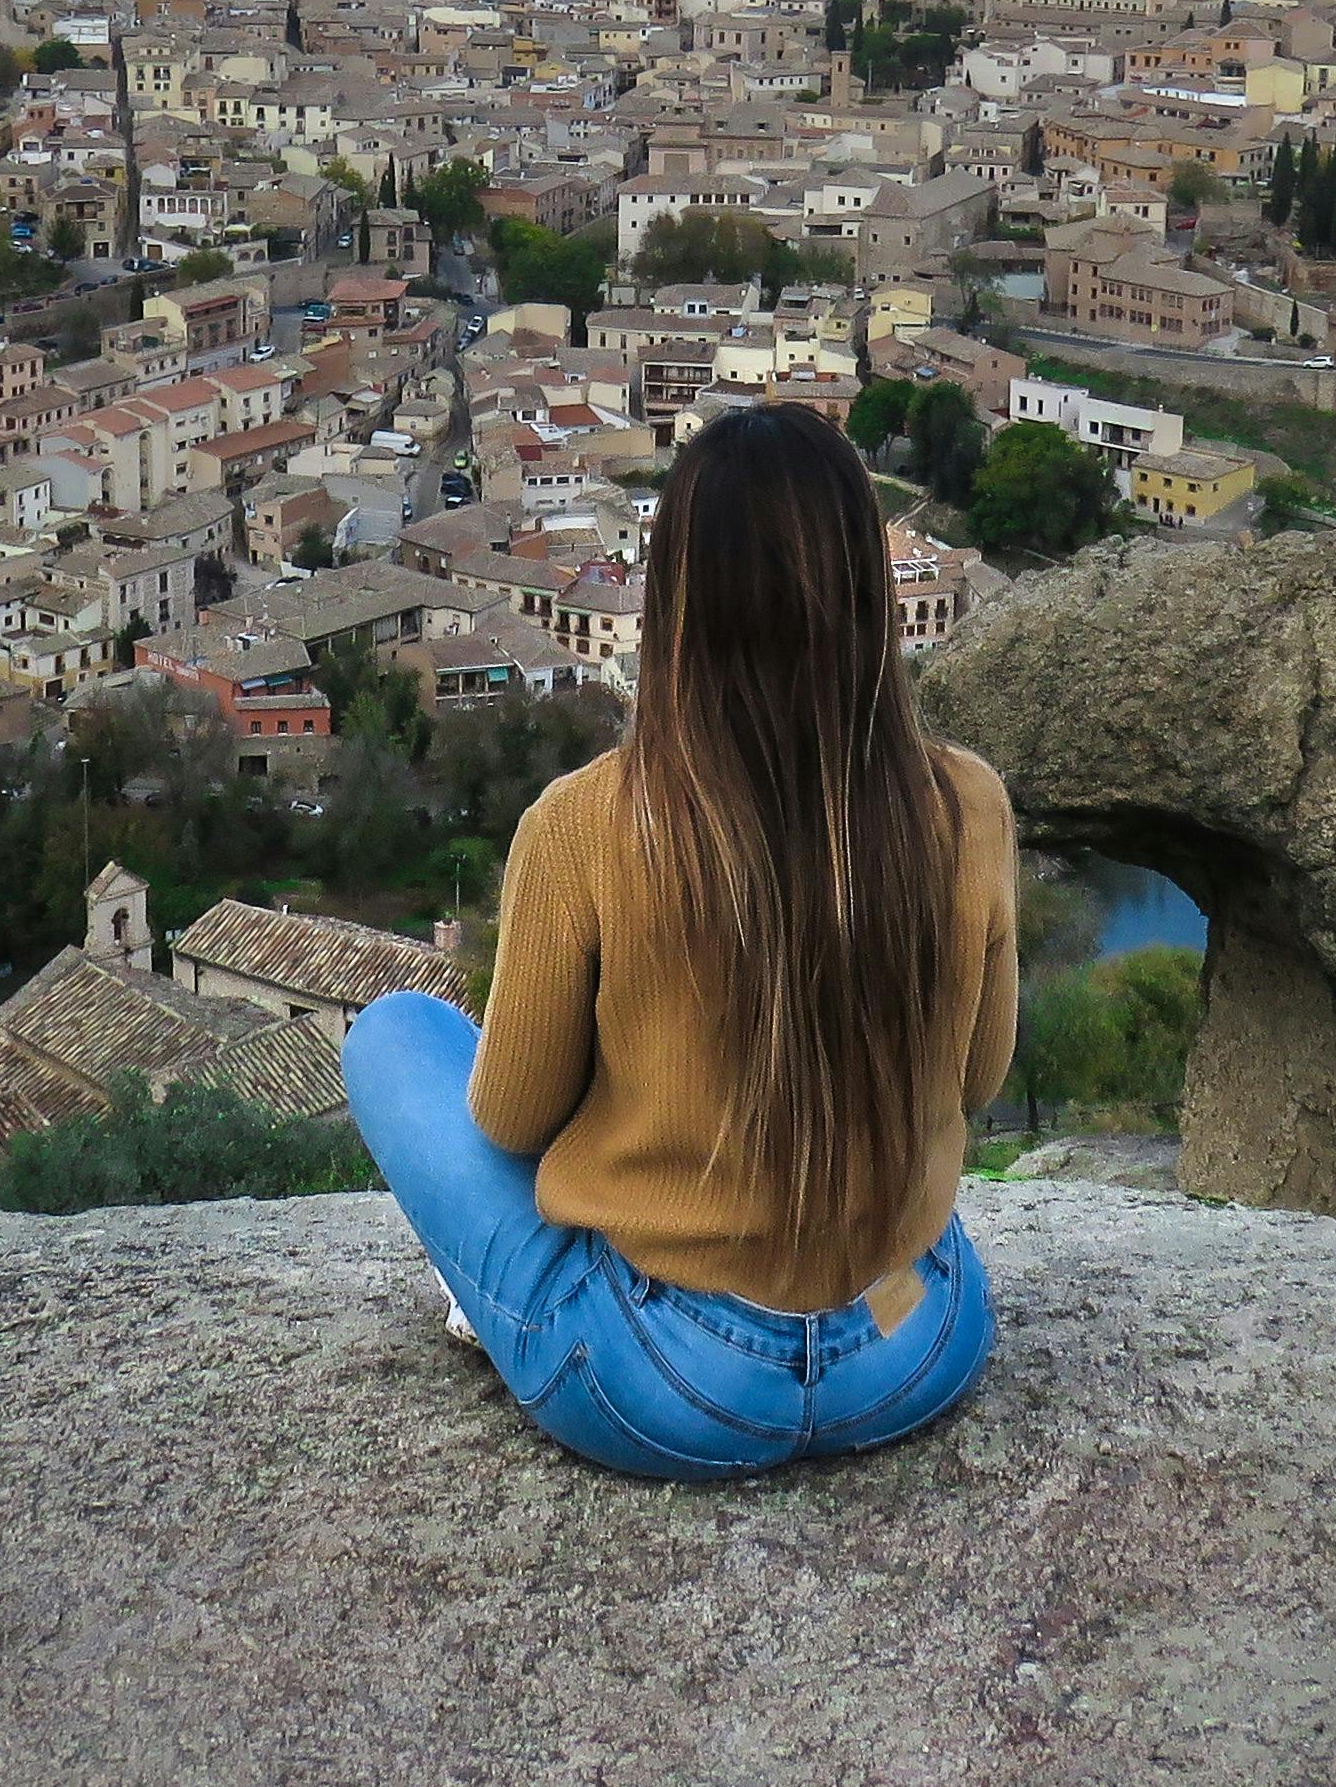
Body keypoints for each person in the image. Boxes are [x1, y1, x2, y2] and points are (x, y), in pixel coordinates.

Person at [344, 402, 1016, 1481]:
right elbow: (978, 1078)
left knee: (392, 1034)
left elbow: (511, 1119)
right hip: (911, 1342)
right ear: (864, 590)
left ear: (680, 600)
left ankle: (514, 1305)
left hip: (679, 1378)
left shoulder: (586, 823)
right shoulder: (965, 803)